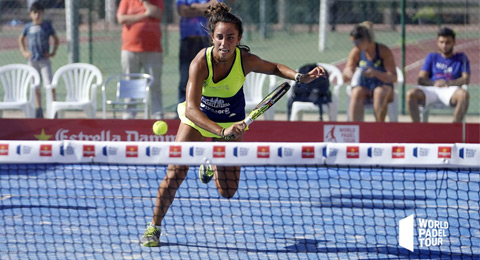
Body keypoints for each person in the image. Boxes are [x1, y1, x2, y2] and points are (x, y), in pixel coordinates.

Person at [139, 2, 326, 247]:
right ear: (212, 37)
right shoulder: (200, 62)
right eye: (219, 37)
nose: (224, 43)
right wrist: (220, 131)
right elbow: (193, 109)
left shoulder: (245, 60)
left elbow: (275, 67)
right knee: (174, 173)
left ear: (238, 39)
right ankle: (154, 227)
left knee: (227, 192)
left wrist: (300, 77)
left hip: (231, 121)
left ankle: (210, 162)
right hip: (198, 120)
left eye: (230, 37)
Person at [406, 27, 470, 122]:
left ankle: (455, 129)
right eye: (441, 42)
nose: (444, 45)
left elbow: (466, 79)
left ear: (453, 42)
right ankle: (417, 128)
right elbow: (421, 79)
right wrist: (434, 83)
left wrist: (447, 83)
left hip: (451, 90)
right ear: (437, 42)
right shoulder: (432, 57)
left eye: (448, 42)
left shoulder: (461, 58)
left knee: (464, 95)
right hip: (432, 89)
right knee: (410, 94)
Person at [117, 0, 164, 119]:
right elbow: (121, 18)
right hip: (130, 48)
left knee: (155, 83)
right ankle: (130, 112)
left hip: (153, 49)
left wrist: (144, 3)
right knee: (130, 81)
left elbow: (157, 14)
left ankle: (156, 113)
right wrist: (145, 15)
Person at [342, 21, 397, 122]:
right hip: (366, 87)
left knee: (379, 92)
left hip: (384, 87)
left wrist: (375, 73)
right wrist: (348, 72)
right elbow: (346, 74)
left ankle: (378, 129)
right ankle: (356, 128)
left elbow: (393, 77)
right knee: (356, 92)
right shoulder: (356, 52)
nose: (355, 46)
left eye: (356, 43)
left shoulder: (383, 51)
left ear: (366, 40)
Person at [18, 1, 59, 118]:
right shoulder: (28, 27)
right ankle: (39, 109)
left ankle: (53, 108)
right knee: (35, 85)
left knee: (50, 84)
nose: (37, 15)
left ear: (43, 13)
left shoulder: (47, 26)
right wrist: (24, 51)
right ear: (31, 14)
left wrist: (52, 53)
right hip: (32, 60)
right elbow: (21, 39)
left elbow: (56, 39)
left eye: (39, 13)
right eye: (34, 13)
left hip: (44, 61)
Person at [176, 0, 222, 104]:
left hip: (208, 39)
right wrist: (206, 9)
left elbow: (217, 8)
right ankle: (183, 110)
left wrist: (194, 6)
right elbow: (183, 11)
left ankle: (209, 109)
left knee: (211, 76)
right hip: (188, 40)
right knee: (185, 77)